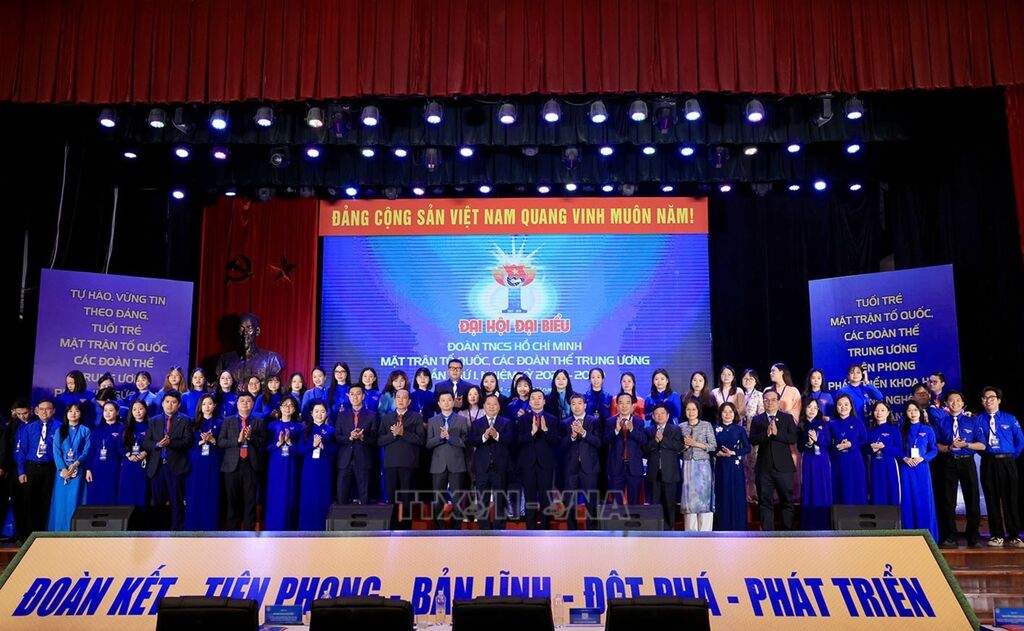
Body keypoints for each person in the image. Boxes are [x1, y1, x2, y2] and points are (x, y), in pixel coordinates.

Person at [935, 390, 985, 548]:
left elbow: (982, 445)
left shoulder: (972, 421)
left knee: (972, 500)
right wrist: (949, 447)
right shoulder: (941, 422)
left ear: (963, 403)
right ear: (946, 404)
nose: (955, 403)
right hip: (948, 462)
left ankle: (973, 536)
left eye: (958, 400)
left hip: (967, 461)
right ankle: (950, 536)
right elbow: (936, 445)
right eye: (951, 400)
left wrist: (967, 445)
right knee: (948, 501)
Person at [977, 386, 1024, 547]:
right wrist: (989, 455)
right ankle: (997, 535)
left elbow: (1020, 442)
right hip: (988, 462)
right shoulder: (978, 420)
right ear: (982, 401)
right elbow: (977, 442)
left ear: (999, 400)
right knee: (991, 499)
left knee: (1010, 499)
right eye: (985, 398)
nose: (988, 401)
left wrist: (1009, 457)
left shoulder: (1010, 419)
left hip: (1007, 462)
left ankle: (1014, 535)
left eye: (992, 398)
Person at [750, 390, 798, 530]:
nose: (770, 402)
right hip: (764, 468)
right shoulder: (757, 420)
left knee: (787, 501)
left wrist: (777, 434)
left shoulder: (787, 418)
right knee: (765, 502)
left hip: (784, 467)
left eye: (773, 400)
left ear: (778, 402)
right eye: (766, 400)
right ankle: (767, 535)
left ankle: (787, 533)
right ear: (763, 402)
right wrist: (766, 434)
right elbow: (753, 439)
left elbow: (793, 438)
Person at [144, 391, 192, 530]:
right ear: (162, 403)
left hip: (176, 467)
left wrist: (170, 443)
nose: (170, 405)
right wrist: (158, 445)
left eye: (173, 402)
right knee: (157, 502)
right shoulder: (154, 420)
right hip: (157, 467)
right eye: (167, 402)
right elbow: (146, 442)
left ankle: (177, 531)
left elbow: (188, 441)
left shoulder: (185, 420)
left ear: (179, 405)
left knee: (177, 502)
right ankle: (158, 531)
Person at [378, 389, 426, 527]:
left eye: (404, 397)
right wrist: (394, 435)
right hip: (390, 464)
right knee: (391, 498)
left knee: (407, 498)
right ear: (394, 400)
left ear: (409, 401)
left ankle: (406, 528)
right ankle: (392, 527)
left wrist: (403, 433)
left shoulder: (416, 417)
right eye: (398, 397)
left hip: (409, 464)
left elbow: (420, 440)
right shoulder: (386, 418)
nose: (401, 400)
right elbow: (380, 441)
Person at [218, 393, 266, 530]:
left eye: (248, 401)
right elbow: (221, 442)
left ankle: (249, 532)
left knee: (250, 500)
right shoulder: (228, 421)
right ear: (237, 404)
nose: (245, 403)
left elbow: (263, 442)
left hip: (251, 465)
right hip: (232, 466)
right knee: (232, 500)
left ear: (253, 404)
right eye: (242, 401)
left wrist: (250, 438)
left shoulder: (259, 421)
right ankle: (232, 532)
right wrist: (238, 440)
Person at [515, 388, 561, 529]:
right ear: (529, 402)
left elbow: (557, 441)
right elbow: (518, 441)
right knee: (529, 498)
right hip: (527, 465)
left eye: (539, 398)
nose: (536, 401)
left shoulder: (552, 419)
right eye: (533, 398)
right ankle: (530, 530)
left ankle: (545, 529)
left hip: (546, 465)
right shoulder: (522, 419)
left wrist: (546, 431)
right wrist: (531, 432)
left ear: (544, 401)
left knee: (546, 498)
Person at [14, 399, 61, 535]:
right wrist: (21, 471)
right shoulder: (28, 428)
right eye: (41, 409)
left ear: (53, 411)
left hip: (51, 469)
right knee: (30, 502)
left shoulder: (60, 427)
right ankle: (29, 535)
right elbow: (21, 451)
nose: (44, 412)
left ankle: (45, 534)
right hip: (31, 468)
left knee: (48, 501)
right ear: (36, 411)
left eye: (48, 409)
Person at [468, 394, 513, 530]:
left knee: (500, 500)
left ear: (499, 407)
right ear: (484, 406)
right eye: (489, 404)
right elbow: (471, 440)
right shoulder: (477, 423)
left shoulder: (506, 422)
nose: (492, 407)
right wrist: (484, 436)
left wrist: (497, 435)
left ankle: (499, 530)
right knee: (482, 501)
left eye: (495, 404)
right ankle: (484, 530)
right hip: (482, 468)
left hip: (500, 468)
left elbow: (510, 439)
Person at [427, 392, 470, 528]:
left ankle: (457, 527)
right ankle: (439, 527)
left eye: (449, 400)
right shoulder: (432, 421)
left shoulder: (461, 420)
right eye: (443, 400)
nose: (446, 403)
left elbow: (465, 442)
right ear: (439, 403)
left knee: (457, 498)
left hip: (456, 463)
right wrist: (440, 438)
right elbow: (428, 444)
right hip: (438, 464)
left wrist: (450, 438)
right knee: (438, 498)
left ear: (453, 402)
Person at [899, 401, 939, 542]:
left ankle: (928, 536)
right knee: (907, 501)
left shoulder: (927, 429)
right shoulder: (901, 430)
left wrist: (923, 458)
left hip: (922, 468)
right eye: (909, 410)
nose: (913, 413)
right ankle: (908, 537)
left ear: (920, 412)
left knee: (924, 500)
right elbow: (897, 449)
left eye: (915, 410)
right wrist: (904, 458)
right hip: (906, 468)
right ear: (906, 413)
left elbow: (934, 449)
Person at [560, 393, 601, 530]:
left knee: (591, 502)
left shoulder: (594, 421)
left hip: (590, 467)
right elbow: (561, 446)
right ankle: (572, 531)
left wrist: (583, 433)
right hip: (570, 468)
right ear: (570, 406)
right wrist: (572, 436)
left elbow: (598, 443)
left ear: (585, 405)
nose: (576, 406)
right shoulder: (565, 423)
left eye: (579, 403)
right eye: (573, 404)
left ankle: (591, 530)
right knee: (570, 502)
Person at [48, 403, 91, 531]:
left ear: (81, 414)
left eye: (76, 411)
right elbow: (56, 451)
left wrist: (77, 463)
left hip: (78, 470)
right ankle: (59, 529)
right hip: (62, 472)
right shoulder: (60, 430)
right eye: (70, 411)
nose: (73, 413)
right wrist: (62, 469)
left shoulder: (85, 430)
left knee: (75, 499)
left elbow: (87, 451)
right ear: (66, 414)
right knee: (61, 502)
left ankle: (74, 530)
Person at [263, 396, 304, 530]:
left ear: (294, 409)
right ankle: (272, 528)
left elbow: (301, 450)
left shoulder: (299, 427)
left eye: (291, 405)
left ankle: (290, 529)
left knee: (290, 494)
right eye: (285, 405)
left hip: (291, 464)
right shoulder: (271, 426)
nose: (287, 408)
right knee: (275, 494)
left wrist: (290, 443)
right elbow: (265, 448)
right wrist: (278, 443)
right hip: (275, 464)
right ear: (280, 408)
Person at [334, 384, 378, 505]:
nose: (355, 397)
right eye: (352, 394)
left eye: (358, 394)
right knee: (342, 497)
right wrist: (349, 437)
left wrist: (363, 437)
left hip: (363, 460)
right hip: (345, 460)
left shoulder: (372, 415)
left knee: (365, 497)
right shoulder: (342, 415)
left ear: (363, 396)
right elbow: (337, 436)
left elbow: (374, 439)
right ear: (348, 396)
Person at [184, 394, 222, 531]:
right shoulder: (193, 423)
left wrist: (213, 440)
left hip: (213, 462)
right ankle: (192, 528)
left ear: (214, 406)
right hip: (196, 463)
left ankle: (211, 528)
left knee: (211, 493)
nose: (207, 407)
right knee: (195, 493)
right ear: (200, 406)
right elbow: (187, 444)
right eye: (204, 404)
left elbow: (224, 444)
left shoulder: (220, 423)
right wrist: (201, 442)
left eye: (210, 404)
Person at [296, 402, 337, 530]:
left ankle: (323, 529)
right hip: (309, 469)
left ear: (327, 414)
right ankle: (306, 529)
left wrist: (323, 446)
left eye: (322, 411)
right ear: (311, 413)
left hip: (325, 468)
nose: (319, 414)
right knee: (308, 497)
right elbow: (299, 450)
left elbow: (336, 452)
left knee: (323, 497)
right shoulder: (305, 430)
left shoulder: (331, 430)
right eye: (317, 411)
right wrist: (312, 445)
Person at [215, 312, 286, 385]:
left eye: (249, 328)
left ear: (257, 331)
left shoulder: (272, 359)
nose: (245, 333)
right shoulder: (225, 360)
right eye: (241, 328)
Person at [680, 399, 717, 531]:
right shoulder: (681, 427)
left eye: (693, 409)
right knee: (689, 498)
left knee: (704, 497)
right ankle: (690, 532)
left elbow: (713, 446)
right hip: (688, 464)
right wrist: (684, 446)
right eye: (688, 409)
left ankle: (705, 532)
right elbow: (677, 449)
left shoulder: (706, 425)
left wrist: (696, 444)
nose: (691, 412)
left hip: (703, 466)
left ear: (698, 411)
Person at [644, 404, 683, 530]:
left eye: (662, 413)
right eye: (656, 414)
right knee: (654, 503)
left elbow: (678, 446)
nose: (659, 416)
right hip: (653, 473)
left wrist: (663, 440)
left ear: (667, 415)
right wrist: (655, 441)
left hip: (670, 472)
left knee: (669, 503)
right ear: (653, 416)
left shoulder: (675, 429)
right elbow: (644, 449)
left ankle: (669, 529)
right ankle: (655, 529)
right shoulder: (648, 430)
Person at [714, 402, 751, 531]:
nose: (727, 414)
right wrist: (717, 453)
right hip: (721, 466)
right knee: (722, 494)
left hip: (735, 467)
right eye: (725, 412)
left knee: (737, 495)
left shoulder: (739, 430)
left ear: (734, 414)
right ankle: (722, 527)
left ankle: (738, 527)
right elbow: (711, 447)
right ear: (720, 414)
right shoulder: (715, 429)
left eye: (730, 412)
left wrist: (734, 452)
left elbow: (747, 448)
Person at [605, 392, 645, 506]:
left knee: (634, 502)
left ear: (632, 406)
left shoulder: (639, 422)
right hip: (616, 467)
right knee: (616, 503)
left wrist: (632, 430)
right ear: (617, 405)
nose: (624, 406)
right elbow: (605, 441)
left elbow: (643, 440)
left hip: (634, 468)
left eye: (627, 403)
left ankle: (633, 518)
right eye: (621, 403)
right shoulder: (610, 422)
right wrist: (616, 431)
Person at [798, 399, 832, 530]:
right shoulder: (801, 426)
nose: (812, 410)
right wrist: (809, 443)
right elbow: (800, 447)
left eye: (815, 407)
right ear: (804, 409)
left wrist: (818, 439)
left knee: (822, 487)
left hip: (822, 459)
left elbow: (828, 441)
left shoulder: (824, 424)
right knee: (809, 487)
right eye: (809, 407)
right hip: (808, 459)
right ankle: (809, 525)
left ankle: (824, 524)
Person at [829, 393, 869, 505]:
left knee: (856, 490)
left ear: (851, 406)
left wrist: (851, 444)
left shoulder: (858, 422)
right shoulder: (831, 424)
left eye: (846, 404)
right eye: (840, 404)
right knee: (839, 490)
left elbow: (864, 441)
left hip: (854, 461)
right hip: (837, 462)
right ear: (836, 407)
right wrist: (836, 446)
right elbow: (827, 442)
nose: (843, 407)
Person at [1, 399, 31, 542]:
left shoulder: (36, 423)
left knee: (29, 502)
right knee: (16, 502)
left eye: (24, 413)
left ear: (31, 410)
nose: (22, 416)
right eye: (18, 414)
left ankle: (30, 534)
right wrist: (3, 466)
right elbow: (5, 448)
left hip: (31, 468)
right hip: (14, 470)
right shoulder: (12, 426)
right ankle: (18, 534)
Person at [84, 401, 123, 505]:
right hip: (97, 468)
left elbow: (123, 449)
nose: (107, 413)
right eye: (105, 410)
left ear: (117, 412)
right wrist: (88, 469)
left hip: (114, 467)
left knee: (112, 495)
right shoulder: (97, 429)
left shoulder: (122, 429)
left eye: (111, 410)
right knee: (96, 496)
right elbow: (92, 451)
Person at [117, 401, 149, 514]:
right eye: (134, 409)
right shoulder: (125, 427)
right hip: (128, 464)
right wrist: (128, 455)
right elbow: (119, 445)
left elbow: (154, 443)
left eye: (140, 409)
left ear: (145, 410)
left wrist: (145, 452)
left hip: (143, 464)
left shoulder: (151, 426)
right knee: (127, 492)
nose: (137, 412)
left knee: (141, 492)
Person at [868, 401, 902, 506]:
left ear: (888, 413)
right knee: (876, 492)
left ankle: (893, 515)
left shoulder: (894, 430)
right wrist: (871, 449)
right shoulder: (870, 430)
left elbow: (899, 451)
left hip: (889, 465)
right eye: (876, 410)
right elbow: (864, 449)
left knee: (891, 491)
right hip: (874, 465)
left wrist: (884, 447)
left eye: (882, 410)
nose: (879, 413)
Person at [740, 369, 765, 504]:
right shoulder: (738, 394)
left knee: (753, 465)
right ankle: (744, 494)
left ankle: (755, 494)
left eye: (751, 378)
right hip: (739, 435)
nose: (747, 381)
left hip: (753, 435)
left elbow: (761, 416)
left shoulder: (760, 396)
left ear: (756, 381)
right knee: (742, 465)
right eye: (745, 378)